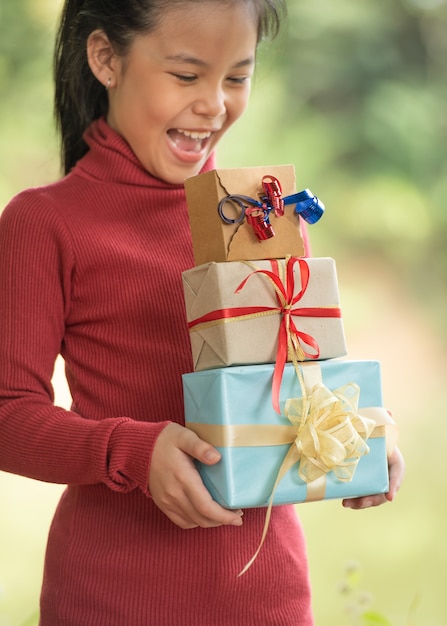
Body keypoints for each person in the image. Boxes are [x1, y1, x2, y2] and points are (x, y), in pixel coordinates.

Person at [0, 1, 405, 624]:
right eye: (187, 76)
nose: (215, 104)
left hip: (268, 597)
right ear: (106, 58)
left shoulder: (267, 215)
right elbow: (8, 415)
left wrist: (359, 431)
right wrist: (133, 450)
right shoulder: (44, 224)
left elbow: (297, 388)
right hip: (112, 598)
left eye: (236, 77)